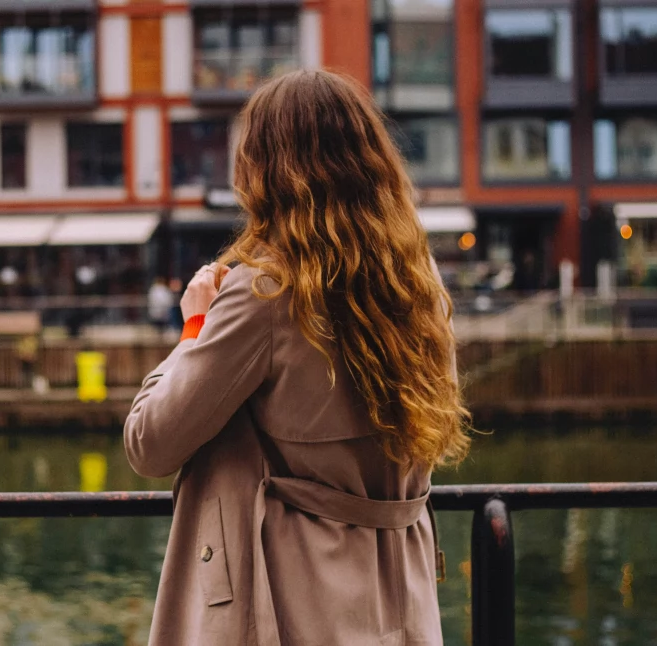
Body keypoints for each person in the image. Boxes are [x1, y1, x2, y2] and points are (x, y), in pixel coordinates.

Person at [124, 70, 469, 645]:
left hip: (297, 599)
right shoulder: (418, 283)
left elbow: (150, 443)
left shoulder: (267, 291)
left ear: (262, 169)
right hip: (404, 593)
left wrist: (194, 325)